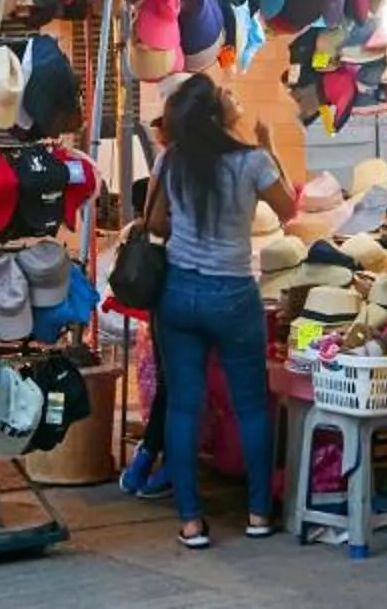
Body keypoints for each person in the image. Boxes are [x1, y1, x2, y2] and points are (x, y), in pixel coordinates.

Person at [144, 72, 295, 548]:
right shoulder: (251, 162)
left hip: (180, 293)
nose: (234, 99)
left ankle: (190, 521)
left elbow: (154, 222)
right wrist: (269, 145)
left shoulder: (172, 161)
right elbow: (288, 208)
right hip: (233, 295)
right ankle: (256, 514)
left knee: (185, 407)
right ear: (215, 114)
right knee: (250, 405)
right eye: (226, 96)